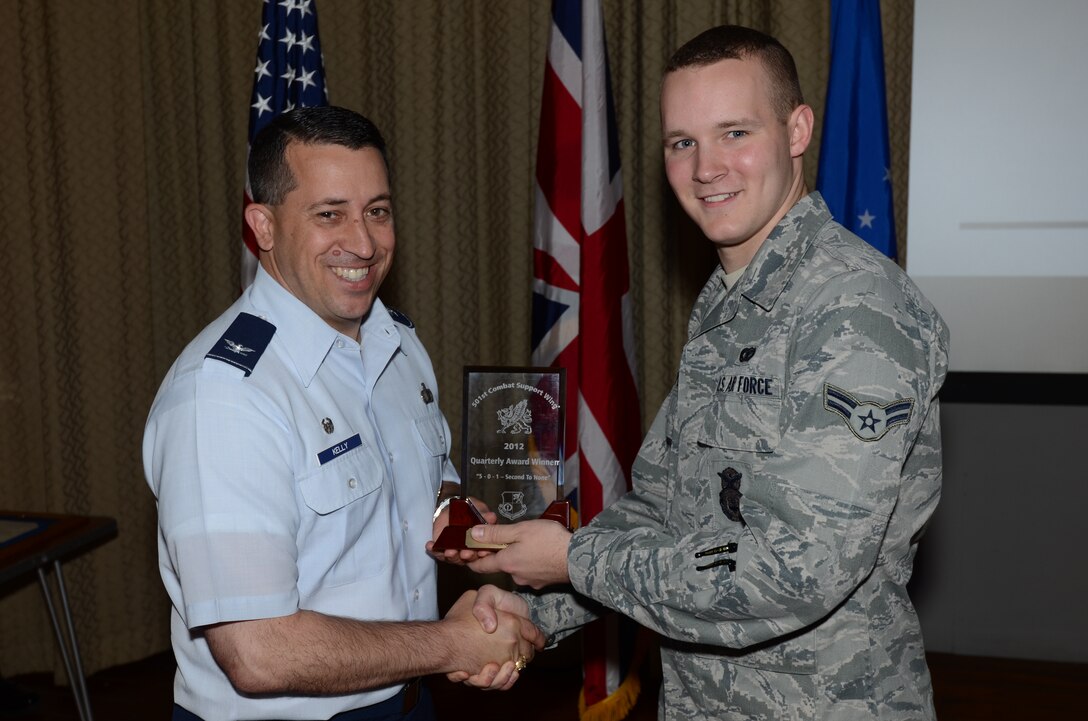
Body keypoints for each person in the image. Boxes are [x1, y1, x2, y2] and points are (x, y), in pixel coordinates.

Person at [456, 25, 949, 720]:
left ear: (798, 129)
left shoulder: (854, 311)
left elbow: (797, 567)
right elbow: (663, 508)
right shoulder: (729, 307)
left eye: (735, 133)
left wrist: (575, 561)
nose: (706, 167)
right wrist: (531, 600)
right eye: (682, 142)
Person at [143, 106, 543, 721]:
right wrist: (453, 644)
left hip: (409, 697)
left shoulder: (395, 341)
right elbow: (258, 652)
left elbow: (418, 489)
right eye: (329, 214)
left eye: (377, 211)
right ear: (264, 226)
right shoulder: (222, 398)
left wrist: (455, 522)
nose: (363, 243)